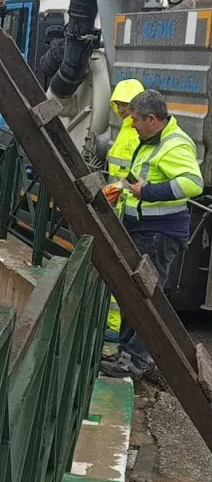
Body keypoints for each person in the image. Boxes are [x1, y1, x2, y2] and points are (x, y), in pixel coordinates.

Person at [101, 89, 203, 379]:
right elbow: (141, 177)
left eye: (135, 120)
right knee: (134, 296)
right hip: (145, 230)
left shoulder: (175, 145)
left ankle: (133, 362)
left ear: (152, 118)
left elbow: (193, 184)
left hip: (158, 234)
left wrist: (147, 192)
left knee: (146, 300)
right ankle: (125, 354)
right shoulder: (150, 140)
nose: (131, 125)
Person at [103, 78, 145, 343]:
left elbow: (130, 173)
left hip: (125, 206)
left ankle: (116, 328)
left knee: (121, 266)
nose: (121, 110)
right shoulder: (127, 130)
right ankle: (112, 324)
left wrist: (114, 191)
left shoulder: (135, 133)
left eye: (126, 105)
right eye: (118, 104)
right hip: (118, 203)